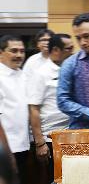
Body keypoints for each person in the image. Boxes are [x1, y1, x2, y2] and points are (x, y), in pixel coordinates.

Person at [28, 34, 74, 183]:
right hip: (50, 139)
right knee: (56, 178)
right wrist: (39, 143)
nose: (72, 51)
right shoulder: (41, 73)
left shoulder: (69, 69)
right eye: (69, 48)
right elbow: (33, 108)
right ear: (55, 50)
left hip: (71, 135)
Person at [0, 35, 29, 184]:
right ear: (1, 53)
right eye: (14, 51)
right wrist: (7, 152)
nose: (19, 55)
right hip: (5, 149)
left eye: (22, 51)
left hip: (23, 146)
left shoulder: (23, 75)